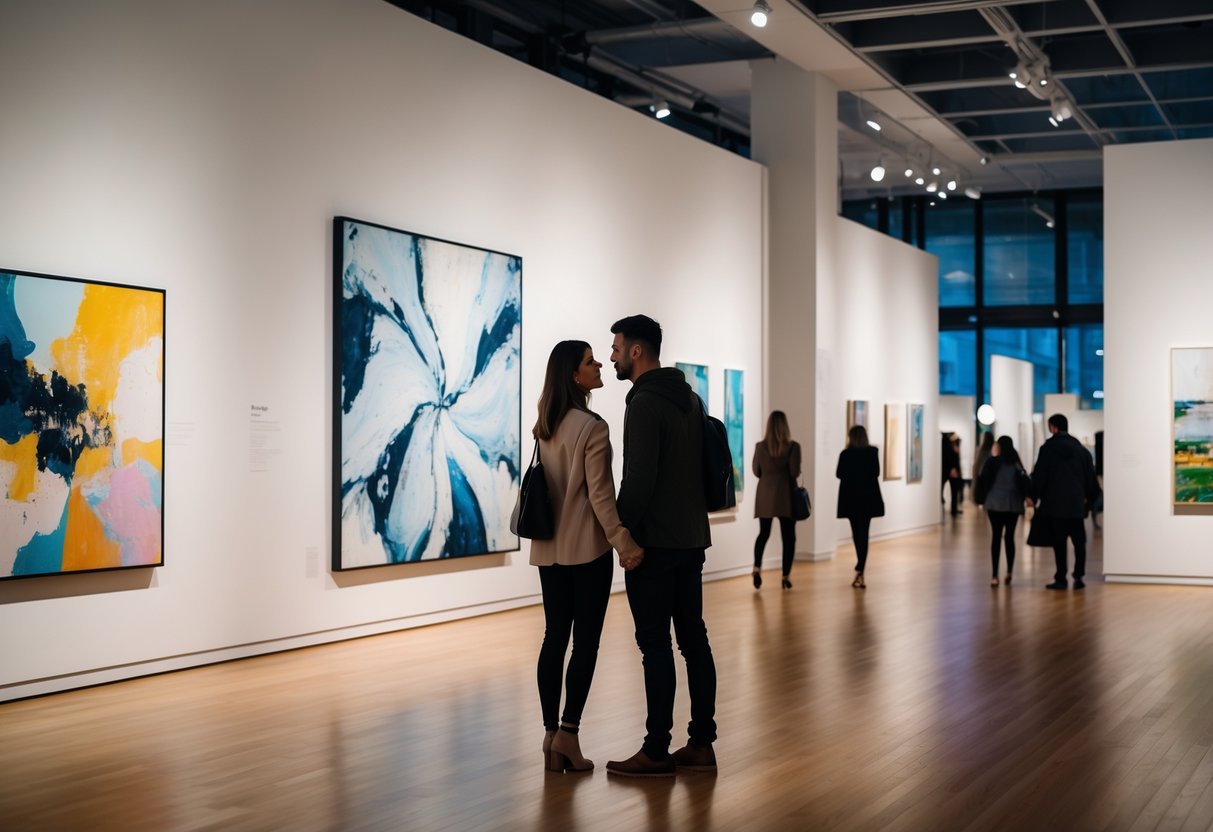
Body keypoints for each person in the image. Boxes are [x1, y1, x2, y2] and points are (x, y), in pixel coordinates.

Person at [604, 314, 718, 778]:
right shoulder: (689, 398)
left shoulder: (644, 403)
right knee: (693, 640)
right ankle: (702, 744)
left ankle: (656, 750)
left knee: (655, 646)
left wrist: (621, 532)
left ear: (636, 351)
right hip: (691, 540)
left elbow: (639, 479)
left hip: (654, 544)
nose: (612, 356)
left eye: (616, 347)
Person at [529, 340, 644, 773]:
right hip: (587, 551)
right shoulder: (592, 427)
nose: (599, 365)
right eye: (590, 361)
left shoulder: (545, 424)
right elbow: (600, 495)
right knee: (585, 643)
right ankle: (569, 735)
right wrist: (624, 543)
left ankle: (549, 734)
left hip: (549, 549)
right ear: (573, 375)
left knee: (554, 637)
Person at [1032, 413, 1099, 591]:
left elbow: (1040, 476)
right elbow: (1090, 478)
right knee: (1079, 542)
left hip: (1054, 505)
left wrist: (1034, 496)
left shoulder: (1047, 449)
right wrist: (1088, 500)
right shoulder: (1081, 451)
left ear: (1053, 427)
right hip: (1076, 505)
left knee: (1059, 543)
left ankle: (1061, 578)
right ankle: (1079, 576)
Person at [751, 410, 801, 590]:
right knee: (788, 537)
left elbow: (756, 471)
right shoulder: (793, 447)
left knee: (763, 533)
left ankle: (757, 568)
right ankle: (785, 576)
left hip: (764, 495)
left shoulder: (759, 446)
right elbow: (794, 472)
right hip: (785, 495)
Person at [974, 435, 1032, 587]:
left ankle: (994, 575)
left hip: (994, 504)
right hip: (1013, 505)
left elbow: (983, 480)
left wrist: (980, 499)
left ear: (999, 446)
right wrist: (1027, 497)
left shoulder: (992, 462)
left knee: (996, 537)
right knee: (1009, 538)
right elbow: (1024, 482)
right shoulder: (1016, 463)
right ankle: (1009, 572)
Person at [836, 424, 884, 589]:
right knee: (864, 533)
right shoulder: (872, 452)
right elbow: (876, 472)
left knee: (856, 533)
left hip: (851, 499)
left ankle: (860, 567)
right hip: (868, 499)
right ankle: (860, 568)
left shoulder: (845, 454)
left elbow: (839, 474)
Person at [942, 433, 963, 516]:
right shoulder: (949, 447)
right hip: (951, 471)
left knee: (954, 491)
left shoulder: (950, 446)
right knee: (954, 491)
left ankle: (954, 509)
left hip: (950, 470)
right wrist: (953, 468)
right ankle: (953, 509)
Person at [972, 431, 995, 503]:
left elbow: (977, 463)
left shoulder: (981, 450)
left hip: (982, 474)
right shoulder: (992, 449)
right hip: (990, 474)